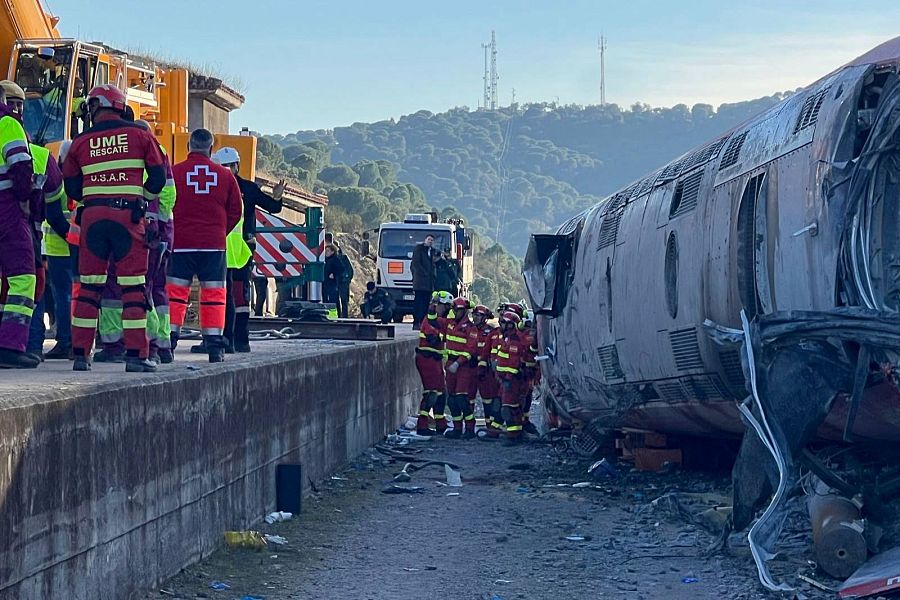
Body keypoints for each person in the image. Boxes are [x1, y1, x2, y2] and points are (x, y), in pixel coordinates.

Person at [63, 84, 166, 372]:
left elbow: (71, 186)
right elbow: (158, 177)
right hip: (128, 218)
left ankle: (81, 355)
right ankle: (136, 355)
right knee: (133, 288)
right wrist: (140, 201)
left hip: (93, 219)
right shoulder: (140, 135)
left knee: (89, 288)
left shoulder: (80, 142)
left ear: (98, 107)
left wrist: (95, 198)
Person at [166, 129, 242, 363]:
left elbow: (165, 203)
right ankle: (215, 347)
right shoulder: (226, 176)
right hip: (214, 246)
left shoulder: (175, 173)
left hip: (180, 245)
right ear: (211, 148)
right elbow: (235, 211)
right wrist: (218, 232)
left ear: (189, 146)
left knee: (176, 295)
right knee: (214, 296)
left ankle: (168, 343)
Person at [212, 147, 283, 352]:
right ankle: (231, 340)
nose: (226, 170)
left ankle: (236, 340)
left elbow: (273, 207)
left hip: (235, 249)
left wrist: (277, 197)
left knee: (234, 295)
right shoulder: (240, 188)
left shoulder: (237, 188)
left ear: (236, 166)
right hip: (230, 248)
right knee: (228, 295)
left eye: (228, 166)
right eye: (223, 166)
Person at [414, 291, 452, 436]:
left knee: (442, 393)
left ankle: (440, 424)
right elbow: (433, 339)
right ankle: (422, 425)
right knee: (431, 393)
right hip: (427, 359)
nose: (447, 310)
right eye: (445, 306)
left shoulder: (442, 321)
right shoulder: (428, 321)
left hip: (435, 361)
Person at [443, 297, 479, 439]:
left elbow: (470, 349)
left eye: (456, 310)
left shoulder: (471, 329)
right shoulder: (450, 324)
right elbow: (435, 321)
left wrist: (458, 363)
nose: (454, 313)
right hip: (450, 365)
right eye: (453, 310)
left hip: (463, 367)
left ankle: (470, 428)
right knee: (451, 399)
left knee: (461, 398)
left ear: (464, 312)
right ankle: (457, 428)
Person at [494, 311, 527, 445]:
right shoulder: (506, 338)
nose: (501, 325)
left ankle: (513, 435)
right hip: (505, 380)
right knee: (508, 407)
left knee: (508, 409)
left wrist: (508, 378)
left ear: (510, 325)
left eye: (504, 323)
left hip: (511, 380)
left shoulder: (514, 341)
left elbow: (514, 363)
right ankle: (513, 434)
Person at [472, 305, 504, 440]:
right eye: (474, 315)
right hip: (472, 368)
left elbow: (487, 353)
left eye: (478, 315)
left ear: (485, 318)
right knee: (474, 400)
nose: (475, 318)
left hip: (487, 372)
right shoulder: (470, 329)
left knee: (491, 400)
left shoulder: (490, 332)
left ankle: (492, 428)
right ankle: (486, 426)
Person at [410, 233, 437, 328]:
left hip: (429, 284)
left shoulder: (432, 251)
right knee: (418, 302)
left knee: (426, 303)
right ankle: (416, 321)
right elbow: (416, 263)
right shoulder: (419, 249)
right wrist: (424, 273)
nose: (430, 241)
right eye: (429, 239)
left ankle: (423, 322)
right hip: (420, 282)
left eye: (432, 240)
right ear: (425, 240)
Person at [335, 243, 353, 318]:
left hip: (343, 282)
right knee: (336, 301)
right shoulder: (329, 259)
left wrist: (346, 280)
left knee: (344, 300)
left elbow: (350, 271)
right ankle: (338, 316)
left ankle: (345, 317)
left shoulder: (343, 258)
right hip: (334, 283)